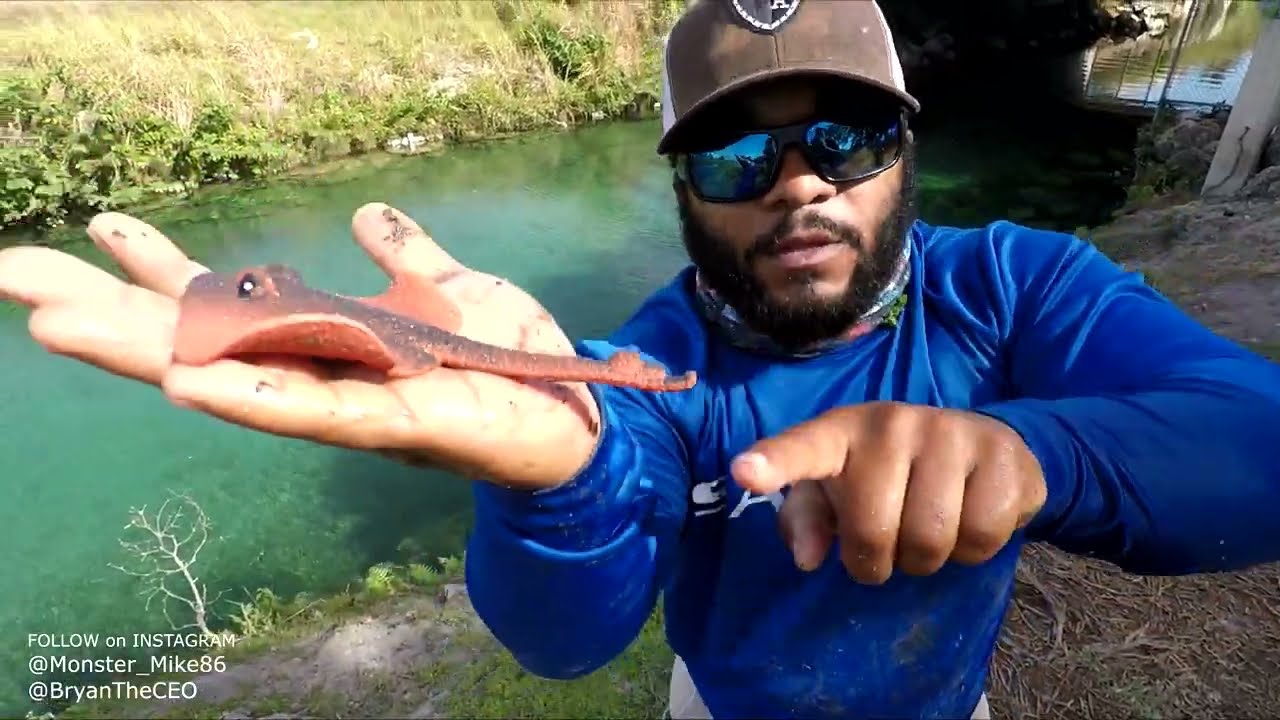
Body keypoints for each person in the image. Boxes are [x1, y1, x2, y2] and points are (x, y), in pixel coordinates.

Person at [2, 0, 1279, 717]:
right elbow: (561, 644)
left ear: (903, 147)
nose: (797, 190)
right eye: (734, 158)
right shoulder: (647, 375)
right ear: (681, 189)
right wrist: (552, 483)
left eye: (843, 141)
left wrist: (1029, 446)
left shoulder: (1013, 285)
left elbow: (1254, 443)